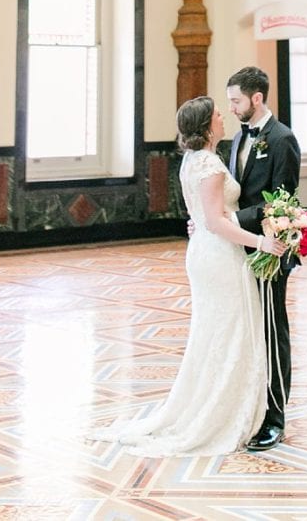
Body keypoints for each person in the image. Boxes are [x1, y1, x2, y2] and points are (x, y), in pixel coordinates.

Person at [89, 96, 286, 456]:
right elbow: (215, 221)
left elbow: (206, 216)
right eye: (216, 114)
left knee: (215, 334)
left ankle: (220, 404)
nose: (223, 117)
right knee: (229, 333)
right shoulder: (209, 165)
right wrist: (262, 243)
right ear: (206, 126)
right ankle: (219, 415)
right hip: (219, 256)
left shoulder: (193, 161)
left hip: (205, 253)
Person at [225, 66, 302, 452]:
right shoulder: (238, 138)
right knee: (248, 331)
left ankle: (275, 419)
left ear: (257, 99)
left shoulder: (282, 139)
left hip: (269, 250)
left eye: (236, 100)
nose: (231, 107)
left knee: (273, 332)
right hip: (237, 246)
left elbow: (282, 203)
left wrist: (231, 220)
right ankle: (250, 409)